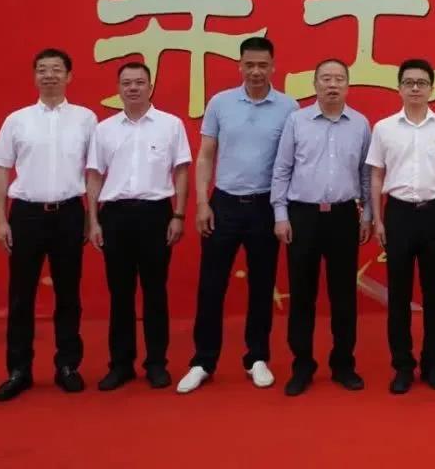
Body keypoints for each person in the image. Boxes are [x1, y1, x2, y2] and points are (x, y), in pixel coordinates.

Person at [177, 38, 298, 394]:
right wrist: (203, 203)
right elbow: (205, 155)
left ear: (273, 66)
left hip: (265, 206)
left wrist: (283, 209)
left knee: (262, 284)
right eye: (250, 65)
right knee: (211, 284)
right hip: (224, 204)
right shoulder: (220, 103)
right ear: (240, 65)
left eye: (263, 65)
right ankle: (203, 360)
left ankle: (257, 357)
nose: (256, 71)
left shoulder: (289, 107)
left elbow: (291, 162)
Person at [0, 49, 96, 401]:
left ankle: (68, 365)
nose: (50, 75)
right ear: (34, 76)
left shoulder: (86, 119)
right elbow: (1, 171)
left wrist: (91, 217)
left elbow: (93, 173)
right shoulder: (17, 120)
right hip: (26, 215)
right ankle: (19, 370)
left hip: (69, 213)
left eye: (57, 69)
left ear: (69, 76)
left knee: (68, 294)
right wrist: (1, 220)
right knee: (21, 295)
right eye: (43, 70)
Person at [86, 62, 191, 391]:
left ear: (150, 86)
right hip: (115, 216)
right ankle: (120, 364)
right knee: (120, 294)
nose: (133, 88)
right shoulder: (104, 129)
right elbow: (94, 176)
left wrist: (178, 215)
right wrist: (93, 220)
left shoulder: (170, 125)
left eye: (139, 82)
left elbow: (181, 171)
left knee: (155, 292)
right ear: (118, 88)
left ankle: (156, 363)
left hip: (156, 215)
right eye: (127, 83)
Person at [271, 59, 372, 396]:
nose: (332, 85)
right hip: (303, 216)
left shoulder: (360, 124)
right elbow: (282, 169)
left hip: (343, 216)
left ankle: (343, 364)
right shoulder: (296, 121)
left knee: (344, 295)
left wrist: (368, 214)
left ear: (347, 85)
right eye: (326, 79)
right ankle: (302, 365)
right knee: (302, 294)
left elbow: (366, 174)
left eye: (339, 79)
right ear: (314, 84)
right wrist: (280, 214)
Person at [366, 59, 435, 394]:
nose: (415, 88)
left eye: (422, 83)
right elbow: (376, 175)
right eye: (409, 83)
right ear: (399, 88)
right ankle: (403, 366)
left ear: (432, 88)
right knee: (399, 295)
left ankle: (432, 364)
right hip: (398, 214)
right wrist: (378, 219)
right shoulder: (384, 128)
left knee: (434, 294)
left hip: (434, 213)